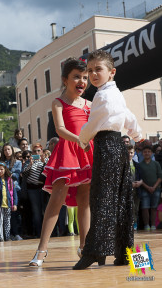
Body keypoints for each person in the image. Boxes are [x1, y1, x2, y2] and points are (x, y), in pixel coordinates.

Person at [73, 50, 142, 270]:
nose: (93, 74)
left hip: (106, 147)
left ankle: (94, 252)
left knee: (102, 199)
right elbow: (127, 115)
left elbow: (94, 123)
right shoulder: (116, 93)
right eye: (90, 70)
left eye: (98, 70)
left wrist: (83, 139)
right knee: (121, 200)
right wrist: (137, 134)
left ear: (111, 72)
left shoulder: (101, 96)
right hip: (119, 147)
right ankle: (124, 253)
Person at [29, 57, 94, 266]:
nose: (82, 81)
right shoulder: (58, 102)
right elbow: (60, 129)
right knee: (56, 200)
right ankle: (42, 250)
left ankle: (85, 248)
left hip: (87, 153)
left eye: (85, 77)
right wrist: (79, 140)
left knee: (85, 201)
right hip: (68, 151)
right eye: (76, 76)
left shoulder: (90, 105)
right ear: (65, 80)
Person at [23, 143, 46, 238]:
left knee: (45, 211)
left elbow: (49, 172)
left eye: (38, 151)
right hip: (32, 189)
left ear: (42, 152)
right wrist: (30, 164)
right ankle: (39, 233)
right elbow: (24, 174)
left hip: (44, 189)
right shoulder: (29, 162)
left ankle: (48, 233)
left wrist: (44, 162)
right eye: (34, 151)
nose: (36, 152)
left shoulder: (46, 160)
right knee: (36, 212)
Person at [1, 143, 22, 240]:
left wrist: (7, 172)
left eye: (8, 149)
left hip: (15, 189)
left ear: (12, 150)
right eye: (5, 150)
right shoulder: (2, 162)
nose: (7, 151)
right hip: (4, 189)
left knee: (15, 212)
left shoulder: (18, 162)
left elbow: (16, 176)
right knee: (7, 213)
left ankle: (17, 233)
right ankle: (8, 234)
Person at [139, 145, 162, 231]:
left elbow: (160, 177)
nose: (147, 153)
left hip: (156, 189)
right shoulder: (140, 165)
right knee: (145, 207)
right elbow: (139, 178)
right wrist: (147, 187)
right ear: (142, 153)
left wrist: (154, 187)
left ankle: (153, 225)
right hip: (144, 189)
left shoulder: (156, 164)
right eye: (145, 152)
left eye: (149, 152)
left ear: (152, 153)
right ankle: (146, 225)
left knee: (154, 207)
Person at [127, 145, 142, 231]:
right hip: (127, 190)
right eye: (128, 152)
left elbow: (141, 177)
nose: (130, 154)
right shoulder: (123, 165)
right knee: (129, 207)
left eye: (131, 153)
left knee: (136, 208)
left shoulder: (136, 164)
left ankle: (135, 223)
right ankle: (129, 224)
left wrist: (140, 182)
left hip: (137, 190)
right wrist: (130, 184)